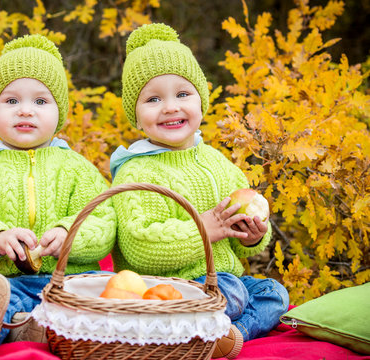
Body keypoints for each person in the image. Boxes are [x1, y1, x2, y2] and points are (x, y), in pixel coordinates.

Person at [110, 23, 289, 359]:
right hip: (170, 290)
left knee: (273, 293)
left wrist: (252, 237)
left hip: (224, 283)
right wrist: (204, 229)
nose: (170, 107)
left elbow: (247, 249)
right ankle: (193, 329)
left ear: (201, 100)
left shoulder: (218, 163)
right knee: (232, 291)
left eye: (182, 94)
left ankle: (230, 334)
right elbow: (140, 247)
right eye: (153, 99)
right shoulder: (136, 171)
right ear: (135, 113)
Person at [0, 34, 116, 357]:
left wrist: (68, 235)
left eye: (40, 101)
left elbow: (102, 219)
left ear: (59, 111)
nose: (25, 111)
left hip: (72, 282)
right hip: (10, 282)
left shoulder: (77, 168)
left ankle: (30, 328)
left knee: (107, 292)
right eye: (11, 101)